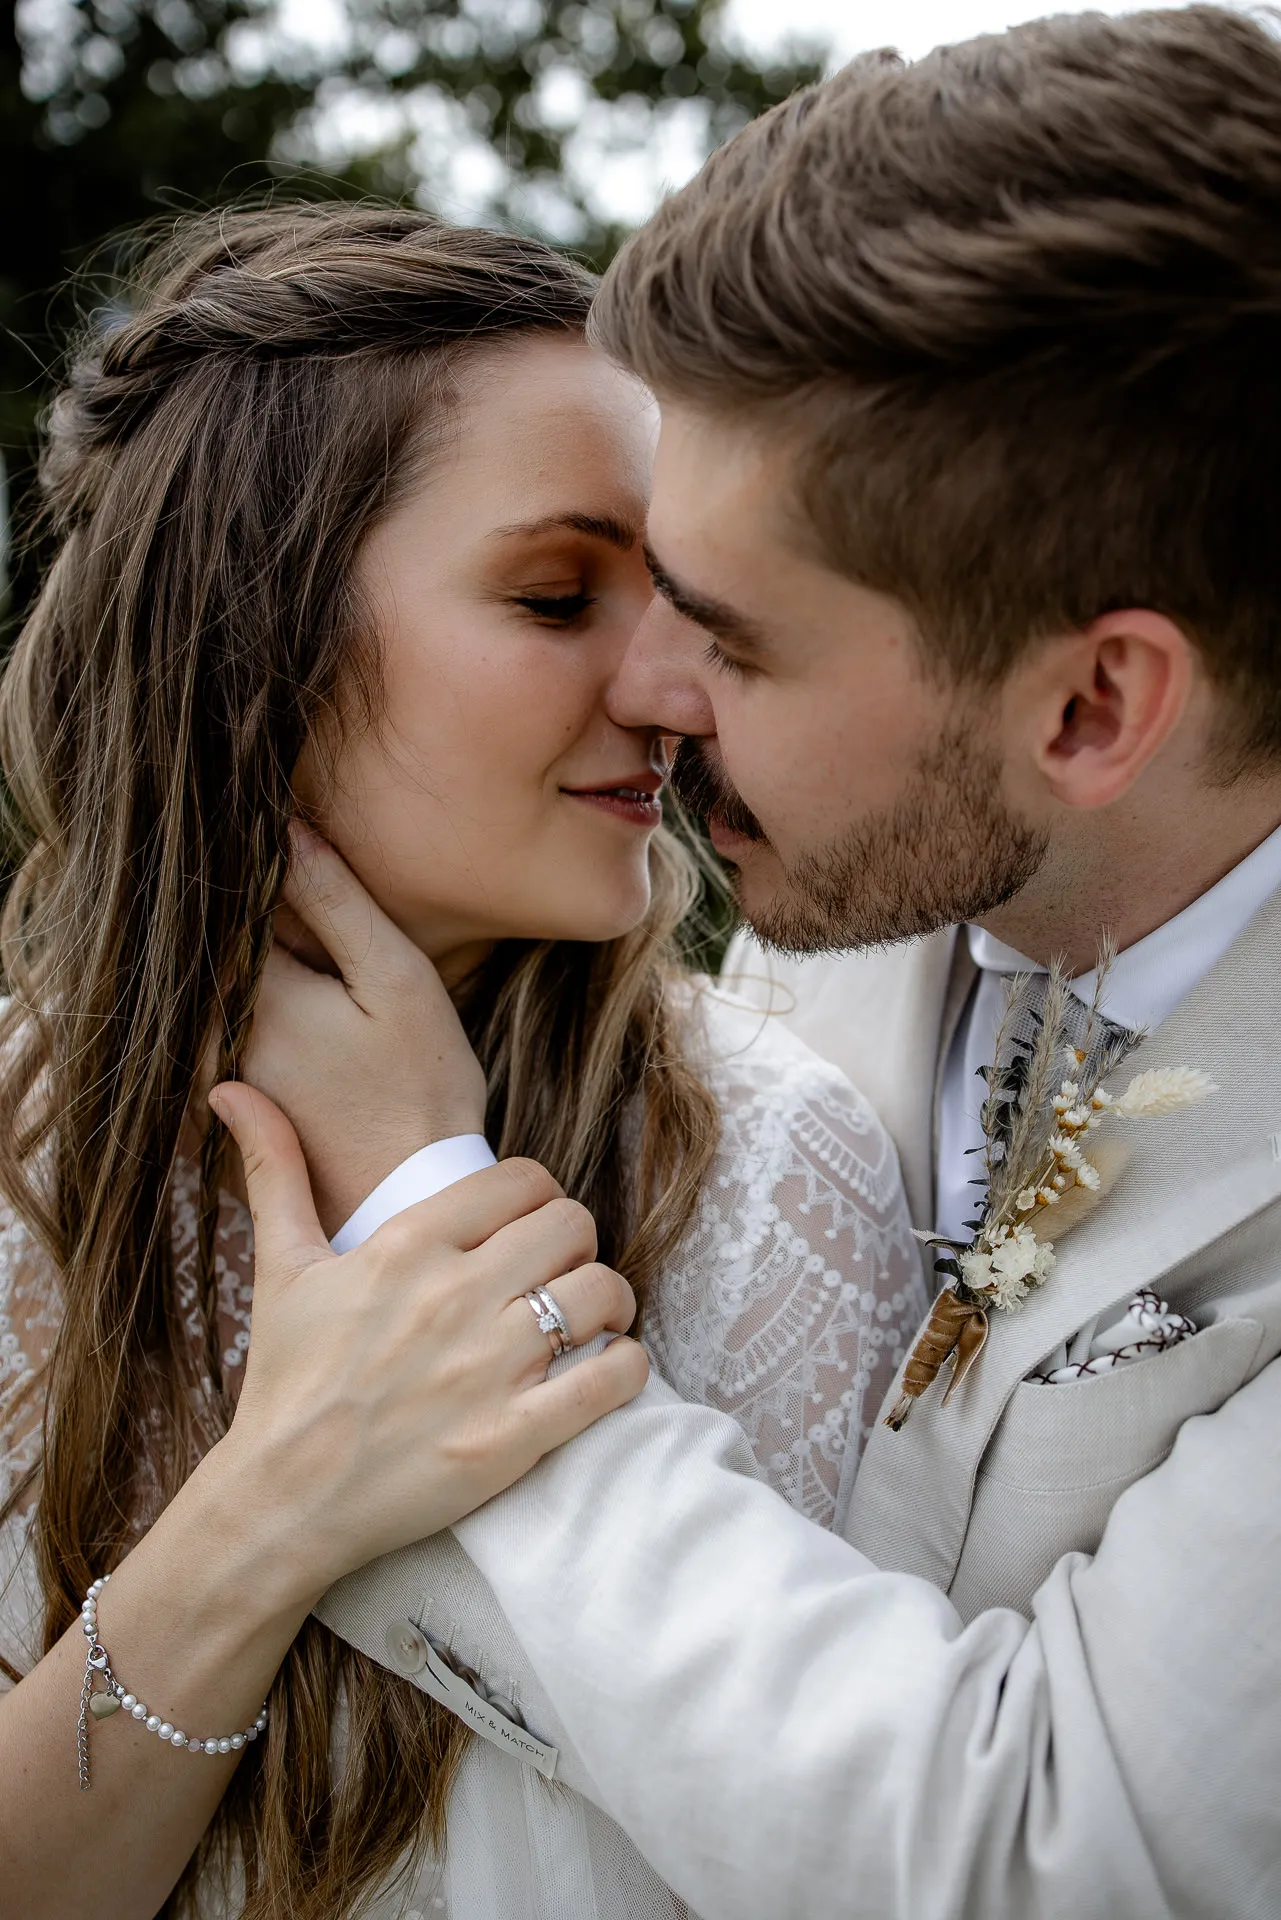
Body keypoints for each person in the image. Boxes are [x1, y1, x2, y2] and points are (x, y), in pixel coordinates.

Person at [249, 10, 1281, 1918]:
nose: (654, 694)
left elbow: (1031, 1861)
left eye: (734, 638)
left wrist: (428, 1227)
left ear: (1093, 706)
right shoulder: (821, 919)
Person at [0, 204, 926, 1917]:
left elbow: (862, 1847)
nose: (677, 687)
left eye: (682, 596)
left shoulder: (763, 1166)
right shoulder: (16, 1156)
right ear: (245, 637)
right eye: (560, 591)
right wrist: (275, 1508)